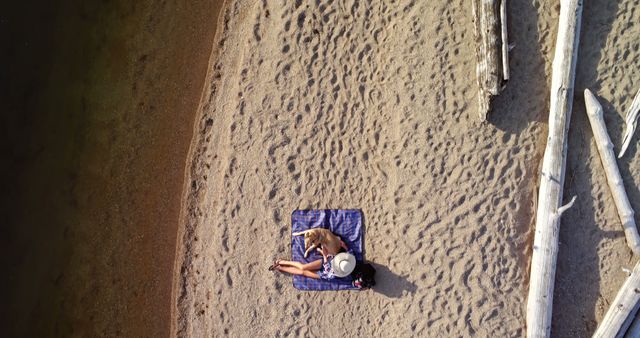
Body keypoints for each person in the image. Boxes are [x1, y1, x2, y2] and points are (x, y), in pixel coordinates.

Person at [270, 241, 355, 280]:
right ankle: (283, 262)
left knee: (302, 272)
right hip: (327, 261)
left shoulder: (333, 274)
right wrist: (344, 246)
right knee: (303, 267)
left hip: (324, 273)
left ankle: (280, 267)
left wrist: (324, 254)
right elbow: (350, 252)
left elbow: (326, 266)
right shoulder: (348, 262)